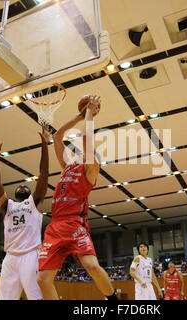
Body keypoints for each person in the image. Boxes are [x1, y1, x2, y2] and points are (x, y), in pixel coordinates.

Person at [37, 96, 118, 300]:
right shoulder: (68, 167)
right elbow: (57, 138)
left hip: (75, 225)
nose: (85, 154)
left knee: (90, 265)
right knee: (42, 279)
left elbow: (86, 139)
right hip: (55, 227)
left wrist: (90, 113)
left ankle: (113, 299)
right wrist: (78, 117)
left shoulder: (89, 173)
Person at [0, 128, 50, 300]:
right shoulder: (7, 205)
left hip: (30, 255)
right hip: (10, 257)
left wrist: (45, 145)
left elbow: (43, 175)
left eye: (25, 186)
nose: (22, 186)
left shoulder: (34, 202)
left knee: (36, 296)